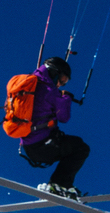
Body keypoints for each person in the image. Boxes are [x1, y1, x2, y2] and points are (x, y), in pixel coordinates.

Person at [22, 56, 91, 198]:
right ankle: (59, 184)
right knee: (81, 148)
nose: (61, 84)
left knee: (72, 146)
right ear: (54, 72)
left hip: (29, 145)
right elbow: (64, 117)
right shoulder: (50, 91)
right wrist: (66, 98)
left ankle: (60, 184)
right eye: (62, 79)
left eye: (64, 82)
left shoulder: (31, 84)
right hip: (44, 145)